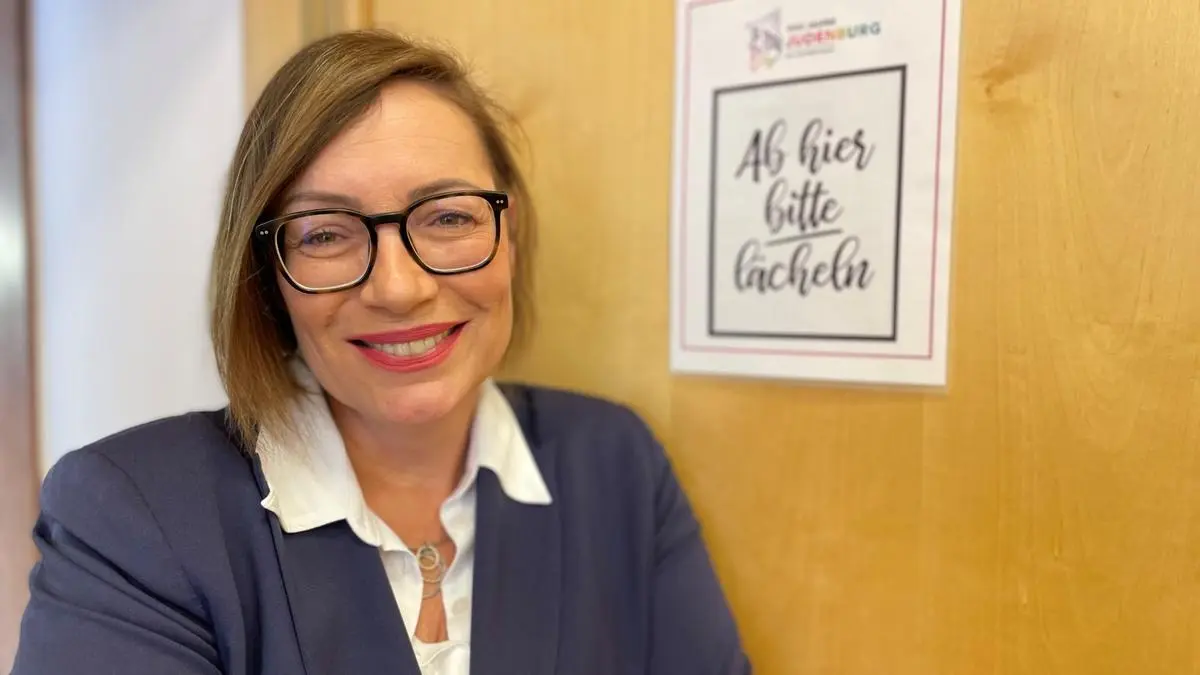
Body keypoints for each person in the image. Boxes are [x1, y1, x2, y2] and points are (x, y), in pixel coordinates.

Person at [12, 29, 750, 675]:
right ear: (269, 275)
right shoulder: (132, 517)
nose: (399, 288)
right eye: (325, 234)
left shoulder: (614, 465)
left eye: (449, 217)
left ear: (510, 235)